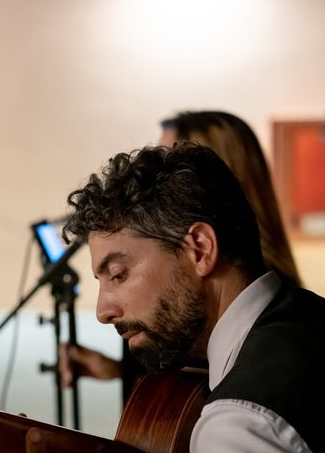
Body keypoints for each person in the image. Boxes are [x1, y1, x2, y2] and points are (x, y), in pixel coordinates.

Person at [57, 143, 323, 451]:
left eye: (118, 274)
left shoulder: (238, 426)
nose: (103, 311)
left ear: (200, 249)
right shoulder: (308, 318)